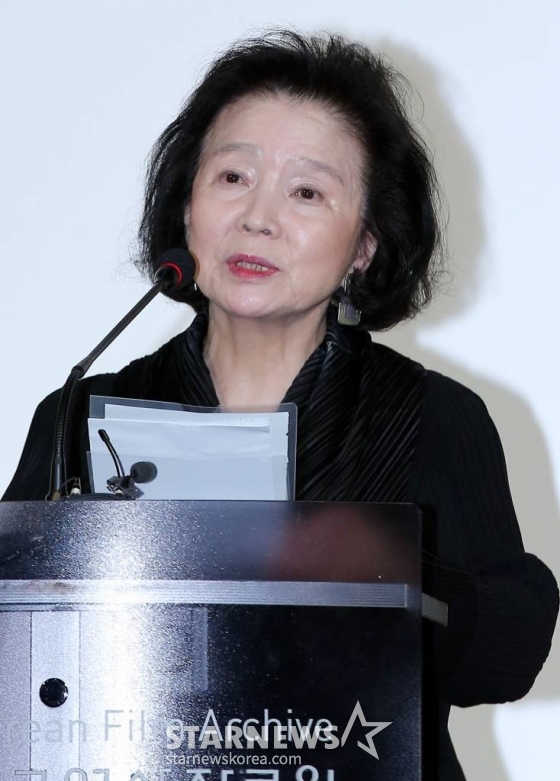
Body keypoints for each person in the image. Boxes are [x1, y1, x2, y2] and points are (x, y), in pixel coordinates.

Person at [2, 29, 558, 779]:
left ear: (364, 245)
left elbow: (509, 656)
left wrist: (392, 569)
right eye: (233, 176)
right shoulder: (83, 414)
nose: (258, 217)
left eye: (306, 192)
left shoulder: (432, 415)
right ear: (187, 206)